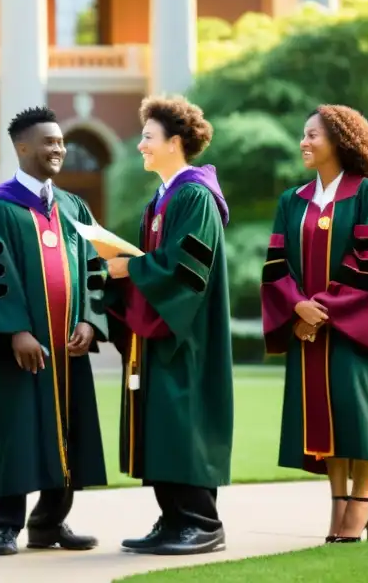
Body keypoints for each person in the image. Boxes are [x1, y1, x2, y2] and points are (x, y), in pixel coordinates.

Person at [260, 105, 368, 544]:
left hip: (355, 323)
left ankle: (362, 498)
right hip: (307, 326)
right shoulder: (292, 201)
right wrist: (296, 308)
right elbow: (277, 265)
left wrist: (321, 308)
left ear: (340, 141)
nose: (304, 142)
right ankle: (337, 501)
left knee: (356, 410)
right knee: (323, 418)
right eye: (303, 134)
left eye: (313, 135)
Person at [0, 106, 108, 556]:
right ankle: (4, 526)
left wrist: (90, 319)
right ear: (22, 147)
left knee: (69, 429)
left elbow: (94, 267)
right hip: (20, 348)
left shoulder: (73, 206)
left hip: (68, 344)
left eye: (61, 141)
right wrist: (16, 332)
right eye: (49, 142)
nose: (59, 148)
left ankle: (49, 522)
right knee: (14, 431)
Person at [104, 95, 233, 556]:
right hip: (159, 335)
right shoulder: (162, 198)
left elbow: (186, 269)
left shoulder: (195, 195)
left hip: (187, 336)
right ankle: (173, 518)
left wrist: (130, 269)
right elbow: (156, 262)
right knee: (160, 425)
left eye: (147, 137)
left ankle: (202, 522)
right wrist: (121, 274)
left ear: (175, 142)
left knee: (185, 423)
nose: (139, 145)